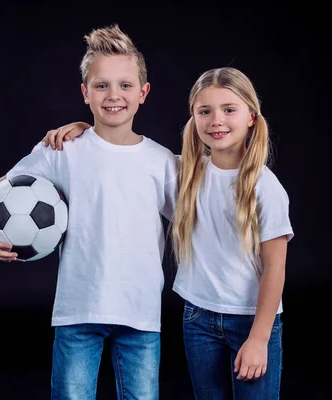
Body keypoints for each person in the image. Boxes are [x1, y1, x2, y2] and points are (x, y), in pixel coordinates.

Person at [42, 67, 294, 399]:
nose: (216, 120)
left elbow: (275, 267)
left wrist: (259, 339)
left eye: (229, 109)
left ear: (250, 116)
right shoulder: (184, 173)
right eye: (205, 111)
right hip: (199, 318)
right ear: (194, 119)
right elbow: (122, 155)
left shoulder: (265, 187)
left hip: (251, 320)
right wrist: (86, 129)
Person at [0, 24, 178, 400]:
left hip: (140, 313)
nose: (114, 95)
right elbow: (9, 183)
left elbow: (195, 214)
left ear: (143, 93)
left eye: (125, 85)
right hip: (78, 309)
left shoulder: (162, 162)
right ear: (85, 93)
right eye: (101, 86)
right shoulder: (64, 150)